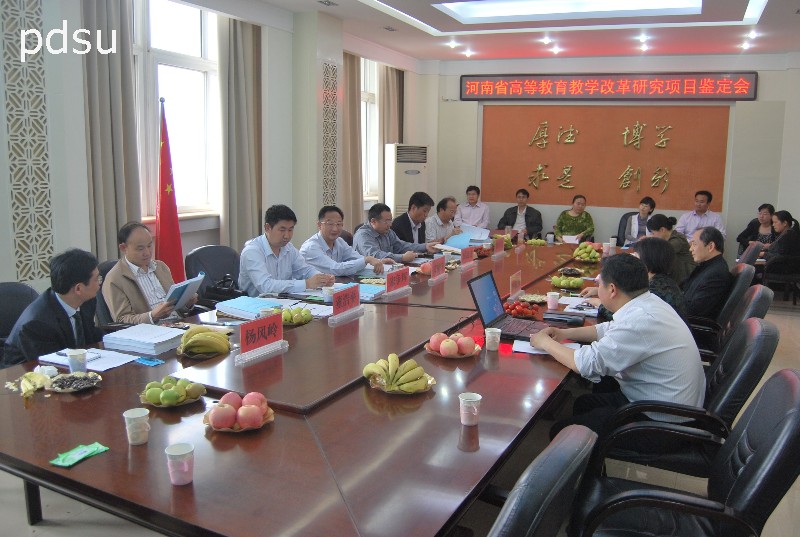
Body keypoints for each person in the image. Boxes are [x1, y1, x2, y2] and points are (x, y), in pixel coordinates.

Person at [532, 254, 704, 453]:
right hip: (663, 403)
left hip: (663, 422)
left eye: (600, 283)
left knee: (561, 431)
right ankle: (591, 460)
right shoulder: (647, 303)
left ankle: (586, 464)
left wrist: (545, 343)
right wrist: (564, 333)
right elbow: (609, 329)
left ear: (612, 290)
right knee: (584, 403)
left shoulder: (640, 320)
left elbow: (586, 364)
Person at [3, 249, 104, 368]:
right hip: (26, 372)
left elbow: (90, 334)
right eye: (96, 279)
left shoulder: (86, 300)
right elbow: (53, 364)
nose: (99, 283)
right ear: (78, 289)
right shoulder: (37, 323)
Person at [103, 222, 197, 324]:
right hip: (151, 330)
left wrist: (187, 304)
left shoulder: (161, 267)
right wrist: (152, 316)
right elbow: (122, 320)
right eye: (140, 249)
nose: (147, 253)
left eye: (149, 245)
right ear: (123, 248)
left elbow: (176, 308)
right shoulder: (114, 279)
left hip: (178, 324)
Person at [239, 205, 335, 297]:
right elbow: (266, 286)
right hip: (254, 303)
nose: (287, 236)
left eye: (290, 230)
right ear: (267, 228)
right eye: (282, 230)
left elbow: (304, 270)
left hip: (283, 300)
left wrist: (321, 278)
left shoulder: (288, 248)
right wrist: (307, 284)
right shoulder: (252, 251)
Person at [580, 237, 686, 320]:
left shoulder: (657, 289)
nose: (632, 259)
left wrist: (599, 304)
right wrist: (603, 289)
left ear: (648, 260)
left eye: (636, 255)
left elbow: (627, 316)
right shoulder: (659, 281)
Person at [300, 206, 391, 276]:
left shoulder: (339, 241)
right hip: (309, 291)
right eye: (330, 224)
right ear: (319, 225)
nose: (335, 229)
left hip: (333, 286)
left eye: (339, 224)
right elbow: (335, 269)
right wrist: (367, 259)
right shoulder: (311, 247)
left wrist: (379, 261)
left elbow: (358, 258)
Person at [354, 203, 439, 262]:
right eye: (387, 221)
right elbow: (375, 255)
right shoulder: (363, 235)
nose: (390, 224)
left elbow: (401, 246)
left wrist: (425, 246)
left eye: (390, 220)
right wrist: (402, 257)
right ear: (373, 221)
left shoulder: (387, 232)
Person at [682, 226, 733, 319]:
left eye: (694, 244)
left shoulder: (716, 274)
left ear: (710, 246)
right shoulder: (708, 266)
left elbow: (694, 311)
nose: (690, 249)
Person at [646, 214, 696, 285]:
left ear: (662, 230)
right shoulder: (669, 238)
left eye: (653, 233)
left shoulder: (677, 240)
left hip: (685, 278)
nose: (653, 236)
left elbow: (659, 254)